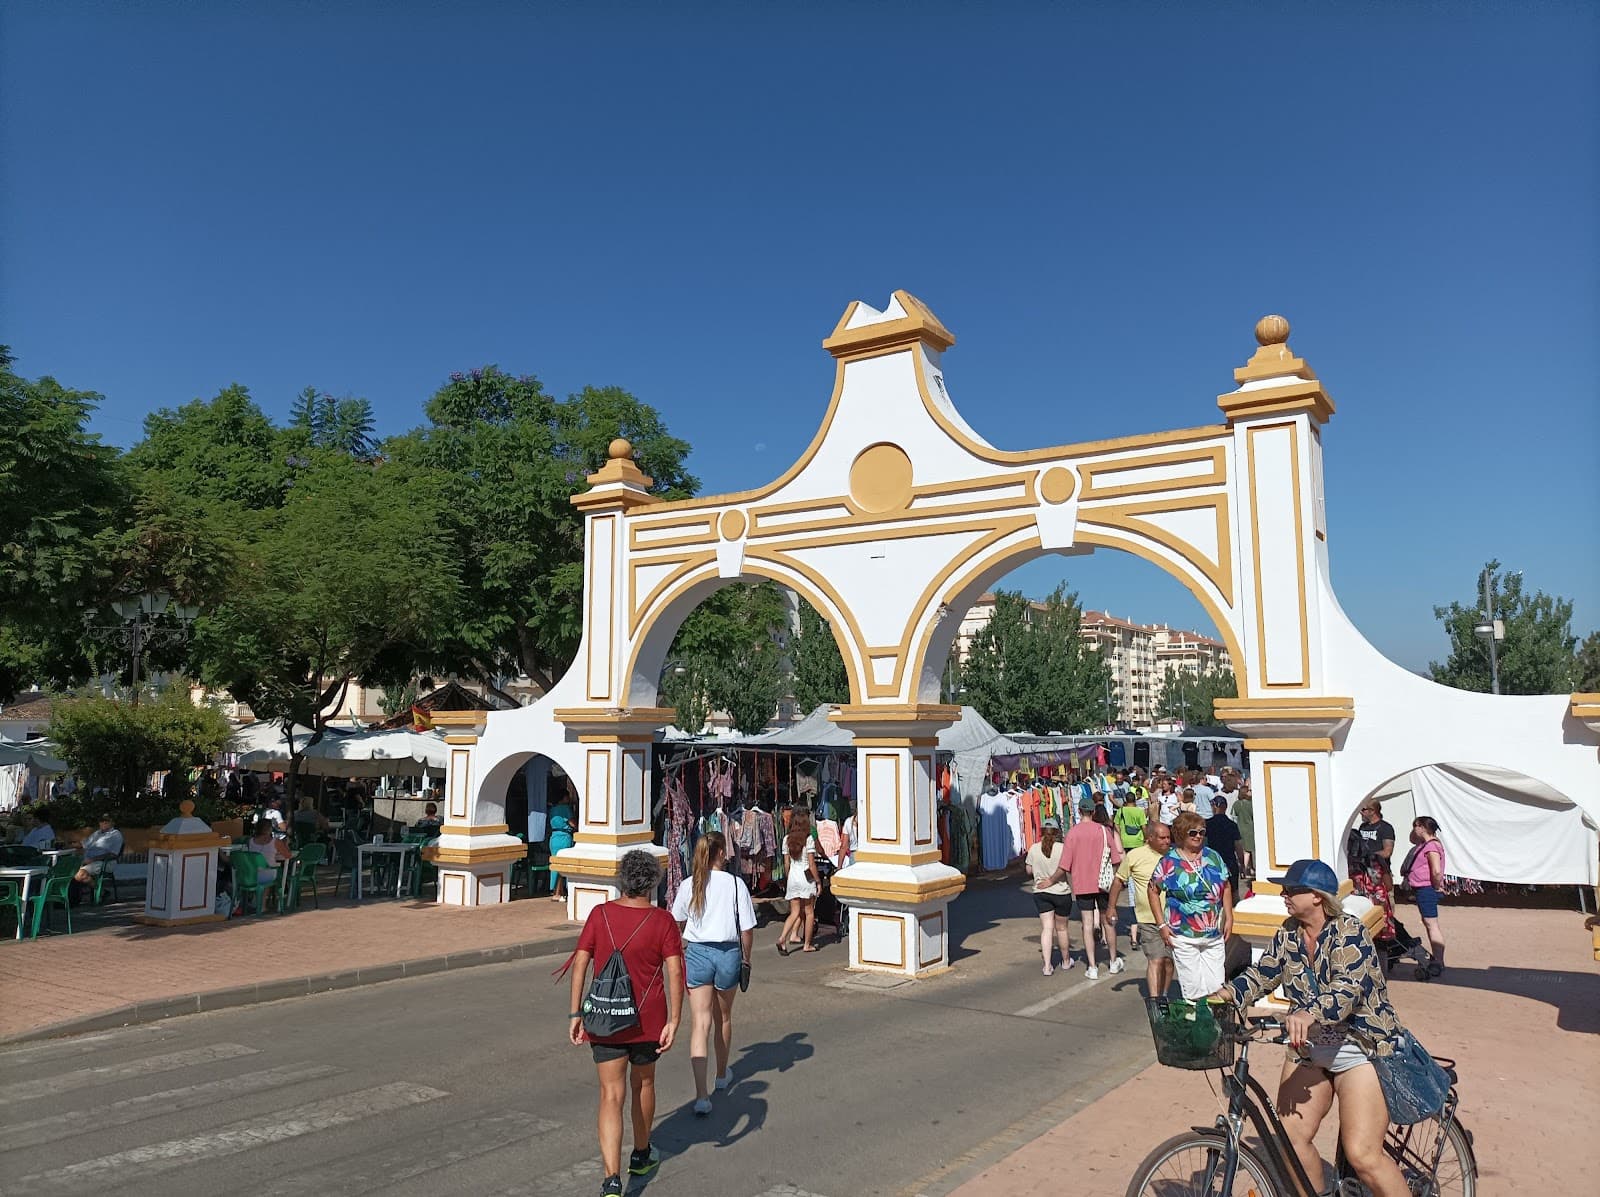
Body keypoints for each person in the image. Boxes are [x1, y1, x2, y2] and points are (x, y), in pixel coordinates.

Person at [1218, 859, 1414, 1197]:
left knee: (1363, 1155)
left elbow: (1347, 989)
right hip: (1311, 1048)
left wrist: (1310, 1013)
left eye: (1291, 890)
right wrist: (1224, 995)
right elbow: (1263, 974)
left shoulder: (1349, 932)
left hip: (1359, 1049)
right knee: (1291, 1140)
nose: (1284, 895)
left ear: (1317, 896)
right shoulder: (1288, 933)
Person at [566, 851, 684, 1195]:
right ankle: (641, 1154)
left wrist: (575, 1013)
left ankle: (612, 1180)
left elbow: (580, 962)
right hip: (648, 1020)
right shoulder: (662, 921)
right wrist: (675, 1019)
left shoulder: (600, 914)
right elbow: (675, 970)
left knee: (610, 1094)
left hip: (606, 1017)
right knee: (643, 1085)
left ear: (622, 879)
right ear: (652, 882)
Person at [670, 831, 756, 1115]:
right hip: (728, 953)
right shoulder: (735, 884)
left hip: (697, 953)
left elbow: (677, 922)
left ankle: (701, 1095)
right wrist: (746, 959)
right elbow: (746, 929)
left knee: (700, 1023)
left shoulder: (689, 884)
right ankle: (721, 1075)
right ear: (720, 853)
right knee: (724, 1018)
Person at [1149, 810, 1233, 999]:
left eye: (1202, 832)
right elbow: (1153, 891)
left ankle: (1215, 1017)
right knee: (1194, 988)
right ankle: (1197, 1017)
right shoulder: (1169, 862)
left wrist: (1229, 916)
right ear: (1181, 834)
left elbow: (1226, 886)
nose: (1198, 836)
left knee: (1217, 986)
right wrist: (1161, 925)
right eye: (1192, 832)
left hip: (1213, 933)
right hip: (1183, 935)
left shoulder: (1213, 857)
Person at [1041, 796, 1126, 979]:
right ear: (1093, 812)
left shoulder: (1072, 833)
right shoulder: (1104, 831)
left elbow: (1064, 865)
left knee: (1087, 924)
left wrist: (1050, 880)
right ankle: (1113, 961)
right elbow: (1116, 859)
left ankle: (1092, 966)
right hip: (1103, 884)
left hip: (1082, 884)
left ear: (1079, 812)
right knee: (1107, 922)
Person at [1108, 821, 1173, 996]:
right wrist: (1111, 907)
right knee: (1155, 960)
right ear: (1150, 838)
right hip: (1147, 919)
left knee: (1168, 962)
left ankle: (1164, 995)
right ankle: (1155, 1001)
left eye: (1168, 837)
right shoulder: (1135, 856)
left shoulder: (1174, 856)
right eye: (1162, 838)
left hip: (1172, 919)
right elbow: (1118, 881)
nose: (1167, 841)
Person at [1024, 817, 1074, 974]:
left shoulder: (1034, 848)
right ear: (1057, 832)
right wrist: (1052, 879)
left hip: (1041, 892)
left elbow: (1028, 870)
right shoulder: (1062, 848)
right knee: (1062, 929)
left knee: (1047, 928)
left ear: (1042, 832)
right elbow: (1067, 868)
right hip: (1061, 892)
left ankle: (1047, 966)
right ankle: (1066, 961)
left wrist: (1040, 871)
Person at [1346, 799, 1397, 940]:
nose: (1361, 813)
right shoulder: (1363, 827)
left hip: (1380, 875)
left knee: (1384, 911)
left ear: (1373, 811)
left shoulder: (1385, 828)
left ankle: (1388, 944)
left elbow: (1387, 852)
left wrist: (1368, 855)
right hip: (1363, 877)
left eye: (1363, 810)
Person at [1403, 817, 1447, 972]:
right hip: (1423, 888)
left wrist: (1436, 886)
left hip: (1427, 888)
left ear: (1421, 827)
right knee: (1428, 922)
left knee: (1431, 923)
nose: (1413, 830)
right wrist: (1419, 830)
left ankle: (1439, 960)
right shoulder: (1424, 844)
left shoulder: (1431, 846)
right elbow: (1412, 839)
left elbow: (1436, 871)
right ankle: (1438, 958)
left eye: (1415, 826)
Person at [776, 809, 819, 954]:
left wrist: (788, 878)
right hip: (806, 877)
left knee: (794, 912)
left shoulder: (786, 839)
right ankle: (807, 944)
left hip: (793, 877)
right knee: (809, 912)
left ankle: (782, 938)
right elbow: (811, 864)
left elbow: (786, 863)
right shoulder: (808, 839)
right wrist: (818, 881)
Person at [72, 813, 124, 890]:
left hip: (104, 862)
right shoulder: (97, 833)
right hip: (88, 861)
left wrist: (92, 859)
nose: (104, 822)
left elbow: (113, 854)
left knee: (81, 874)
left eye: (107, 821)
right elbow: (83, 844)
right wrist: (68, 844)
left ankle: (101, 892)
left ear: (112, 822)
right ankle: (74, 894)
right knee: (68, 870)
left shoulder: (115, 834)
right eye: (102, 821)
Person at [1206, 794, 1242, 900]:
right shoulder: (1232, 825)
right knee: (1233, 891)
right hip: (1229, 860)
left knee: (1214, 892)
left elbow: (1203, 843)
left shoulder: (1208, 824)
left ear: (1215, 807)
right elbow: (1238, 846)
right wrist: (1242, 863)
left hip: (1212, 861)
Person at [548, 798, 577, 903]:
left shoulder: (553, 809)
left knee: (555, 865)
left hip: (554, 838)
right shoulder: (565, 808)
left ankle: (555, 890)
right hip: (564, 837)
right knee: (562, 865)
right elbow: (572, 823)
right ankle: (557, 892)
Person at [1231, 782, 1256, 882]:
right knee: (1248, 851)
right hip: (1249, 828)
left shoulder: (1236, 804)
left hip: (1239, 827)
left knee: (1244, 849)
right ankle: (1244, 870)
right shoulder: (1250, 804)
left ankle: (1251, 868)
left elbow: (1233, 815)